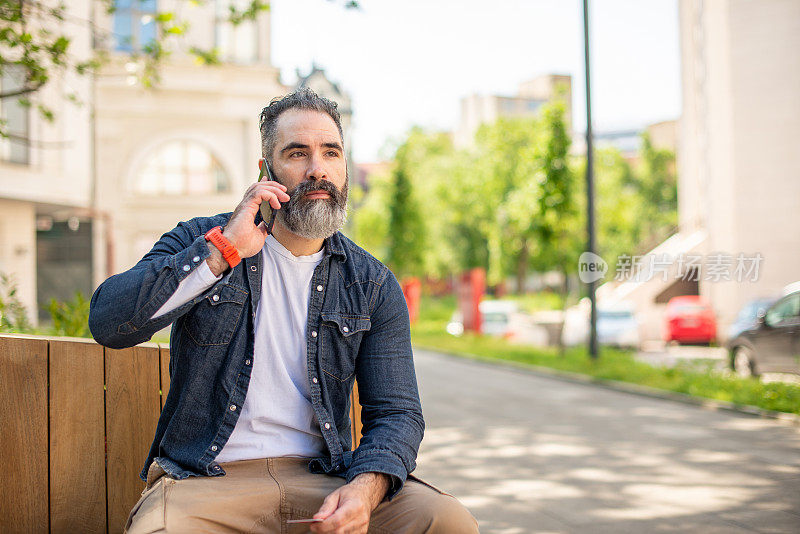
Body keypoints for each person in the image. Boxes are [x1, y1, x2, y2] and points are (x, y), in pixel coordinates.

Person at [89, 88, 478, 534]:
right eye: (297, 153)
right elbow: (109, 322)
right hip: (208, 482)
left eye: (331, 153)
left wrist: (364, 490)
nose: (318, 170)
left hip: (323, 478)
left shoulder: (371, 283)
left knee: (446, 520)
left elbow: (397, 414)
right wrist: (223, 251)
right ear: (265, 171)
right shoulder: (204, 238)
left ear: (345, 168)